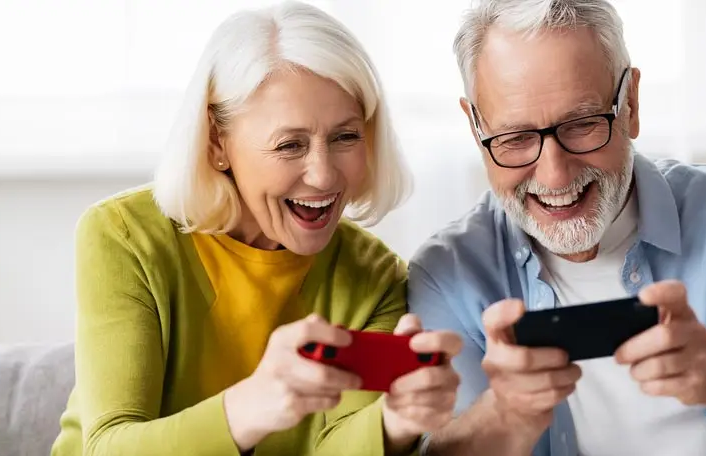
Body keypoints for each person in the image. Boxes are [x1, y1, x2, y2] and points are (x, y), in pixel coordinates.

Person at [407, 1, 706, 455]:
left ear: (630, 103)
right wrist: (507, 414)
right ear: (475, 129)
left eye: (582, 124)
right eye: (515, 138)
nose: (554, 175)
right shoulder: (447, 272)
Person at [50, 2, 463, 455]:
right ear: (215, 142)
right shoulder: (124, 237)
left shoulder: (376, 277)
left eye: (346, 136)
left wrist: (395, 420)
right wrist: (251, 406)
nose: (324, 176)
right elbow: (107, 446)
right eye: (290, 145)